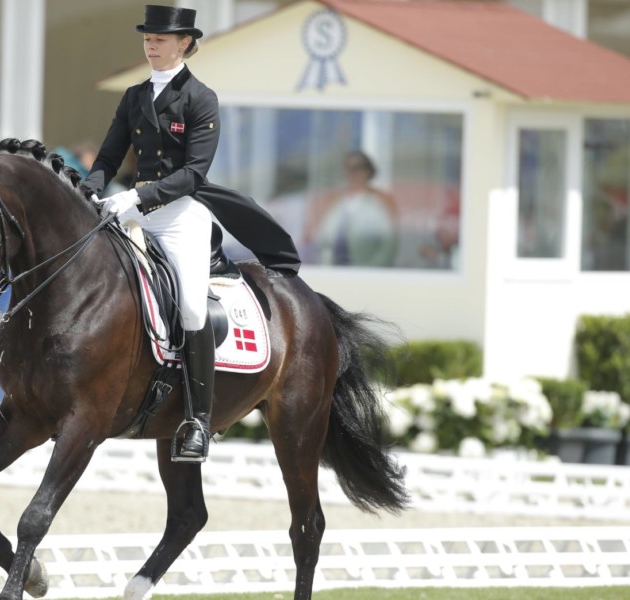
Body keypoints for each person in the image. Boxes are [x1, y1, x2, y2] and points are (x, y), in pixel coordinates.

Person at [81, 5, 300, 462]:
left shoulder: (201, 98)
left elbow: (194, 174)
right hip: (134, 211)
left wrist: (136, 198)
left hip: (180, 215)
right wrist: (88, 191)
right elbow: (106, 159)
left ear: (184, 44)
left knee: (192, 308)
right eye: (147, 37)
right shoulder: (134, 95)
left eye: (160, 39)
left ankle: (198, 420)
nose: (151, 44)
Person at [305, 151, 398, 267]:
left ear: (368, 170)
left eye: (357, 168)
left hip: (365, 272)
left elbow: (390, 243)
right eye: (348, 168)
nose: (352, 172)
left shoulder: (381, 199)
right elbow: (321, 236)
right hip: (332, 269)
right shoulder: (335, 199)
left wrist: (373, 270)